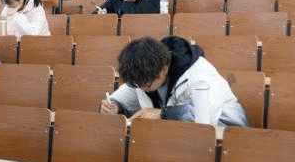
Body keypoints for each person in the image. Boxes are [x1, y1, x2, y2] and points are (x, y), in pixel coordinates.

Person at [99, 36, 249, 126]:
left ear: (164, 69)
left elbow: (205, 119)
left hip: (227, 129)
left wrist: (162, 114)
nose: (141, 89)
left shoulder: (200, 75)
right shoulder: (145, 75)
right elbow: (123, 96)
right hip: (181, 137)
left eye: (146, 86)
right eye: (138, 85)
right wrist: (114, 106)